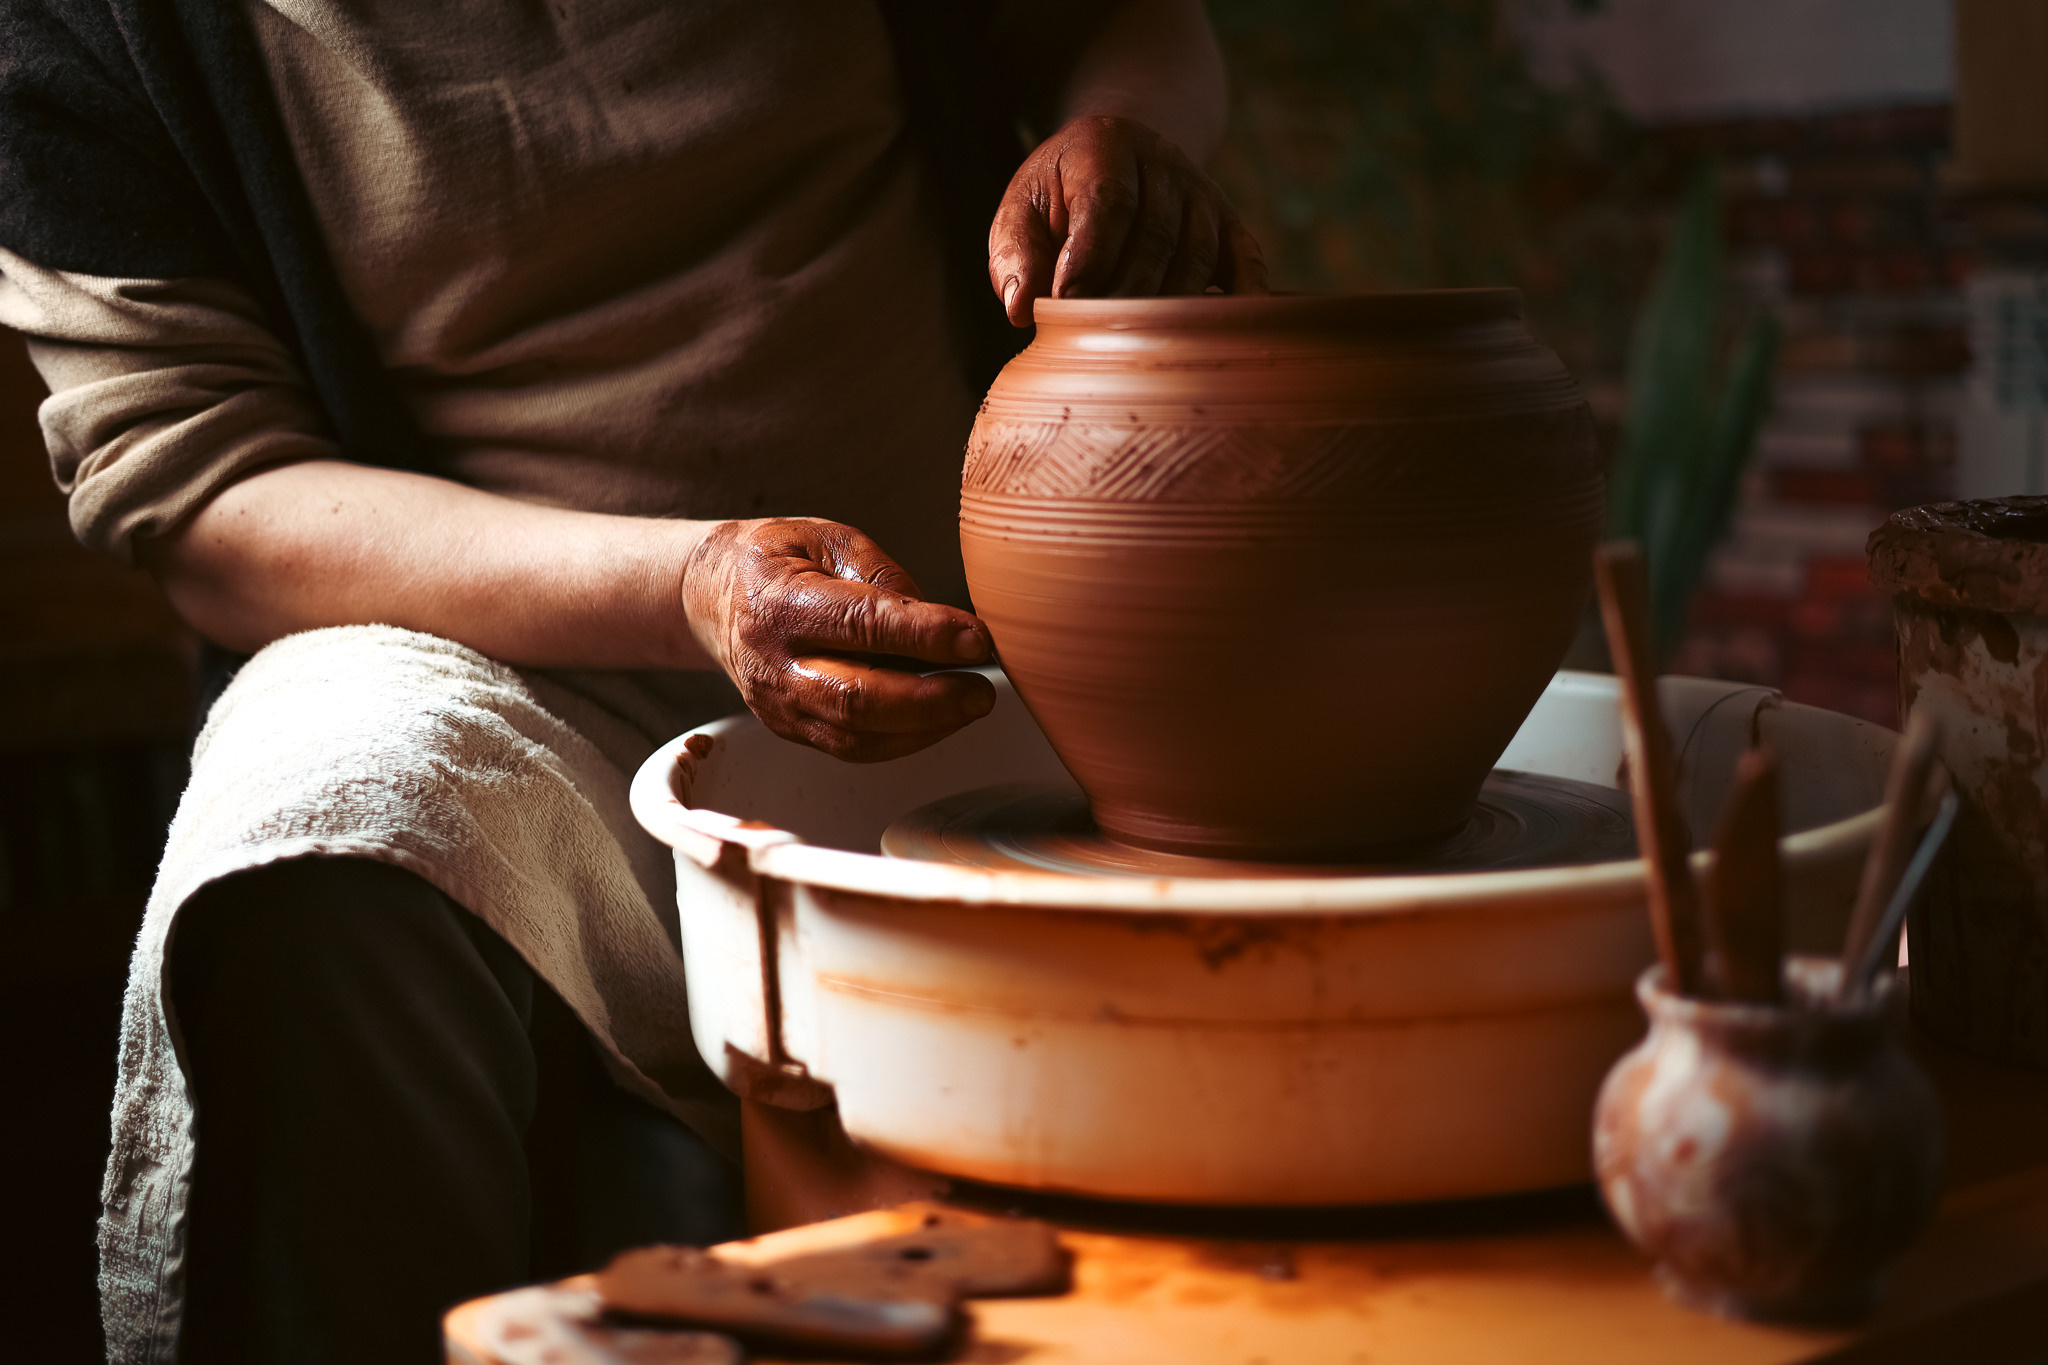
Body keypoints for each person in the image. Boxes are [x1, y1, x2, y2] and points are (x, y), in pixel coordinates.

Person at [0, 0, 1263, 1359]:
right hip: (514, 671)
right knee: (316, 844)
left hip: (992, 652)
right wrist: (690, 584)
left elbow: (1124, 24)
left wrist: (1126, 138)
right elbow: (201, 487)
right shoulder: (86, 34)